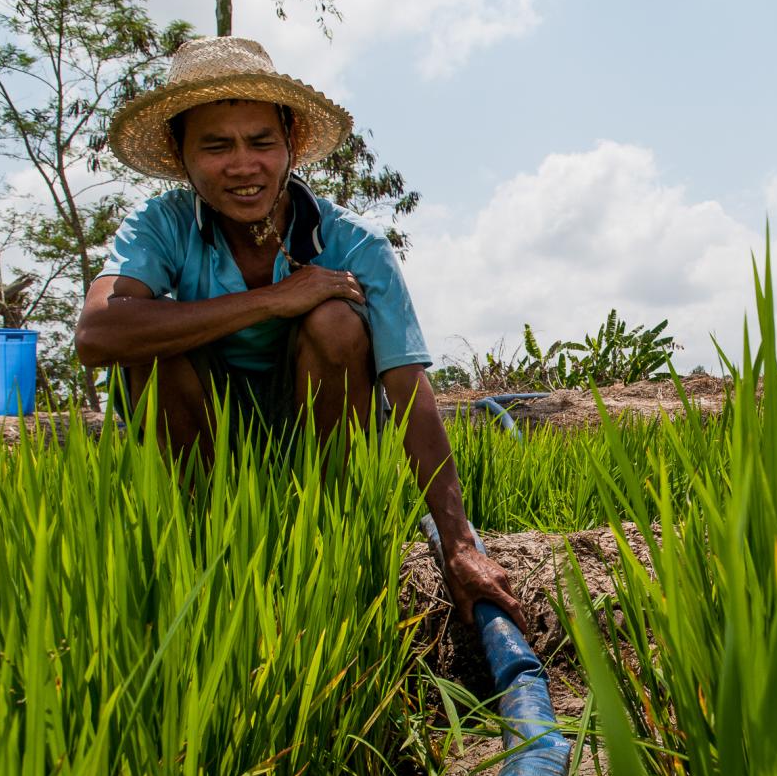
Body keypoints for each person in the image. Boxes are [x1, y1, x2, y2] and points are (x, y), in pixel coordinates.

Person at [74, 36, 523, 630]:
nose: (242, 165)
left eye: (261, 142)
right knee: (145, 347)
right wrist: (273, 299)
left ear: (289, 145)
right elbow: (98, 334)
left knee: (335, 319)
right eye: (216, 146)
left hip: (319, 432)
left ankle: (332, 525)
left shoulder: (355, 243)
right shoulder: (163, 225)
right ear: (182, 156)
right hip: (206, 429)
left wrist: (459, 543)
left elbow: (407, 384)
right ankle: (206, 539)